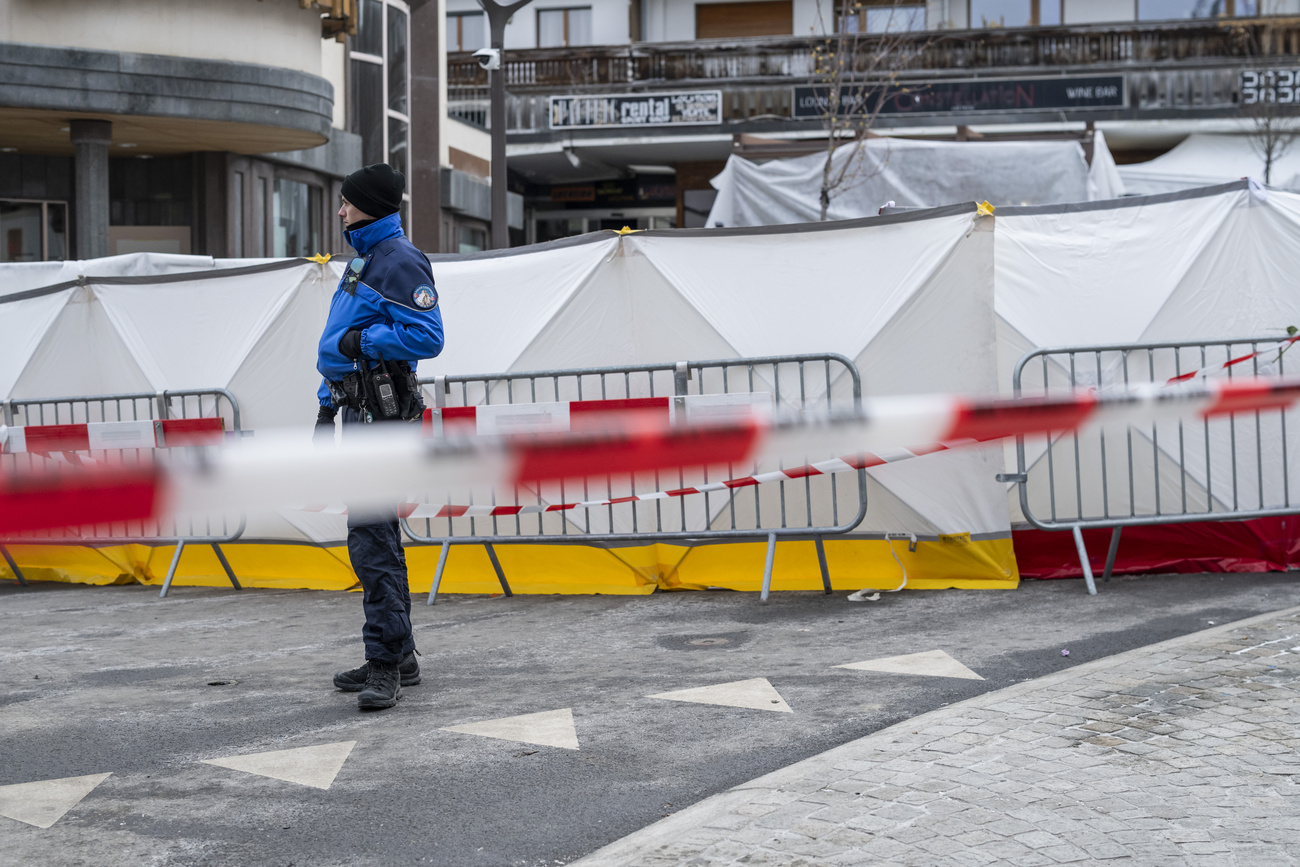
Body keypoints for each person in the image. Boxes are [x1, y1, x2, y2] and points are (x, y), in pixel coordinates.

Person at [314, 163, 444, 711]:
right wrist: (326, 407)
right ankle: (401, 654)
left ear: (367, 204)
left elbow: (427, 335)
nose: (340, 210)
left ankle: (386, 663)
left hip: (381, 417)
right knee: (376, 537)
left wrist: (361, 342)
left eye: (346, 201)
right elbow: (334, 341)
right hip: (358, 411)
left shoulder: (398, 260)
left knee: (371, 540)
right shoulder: (363, 259)